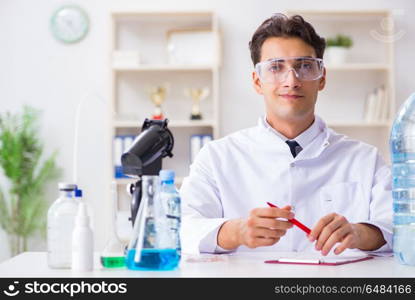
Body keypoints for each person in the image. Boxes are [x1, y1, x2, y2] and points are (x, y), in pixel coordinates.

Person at [180, 13, 392, 255]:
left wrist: (359, 233)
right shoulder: (216, 157)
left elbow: (401, 228)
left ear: (322, 78)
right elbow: (182, 228)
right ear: (257, 81)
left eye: (304, 66)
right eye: (275, 67)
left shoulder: (364, 158)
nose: (291, 80)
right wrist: (236, 232)